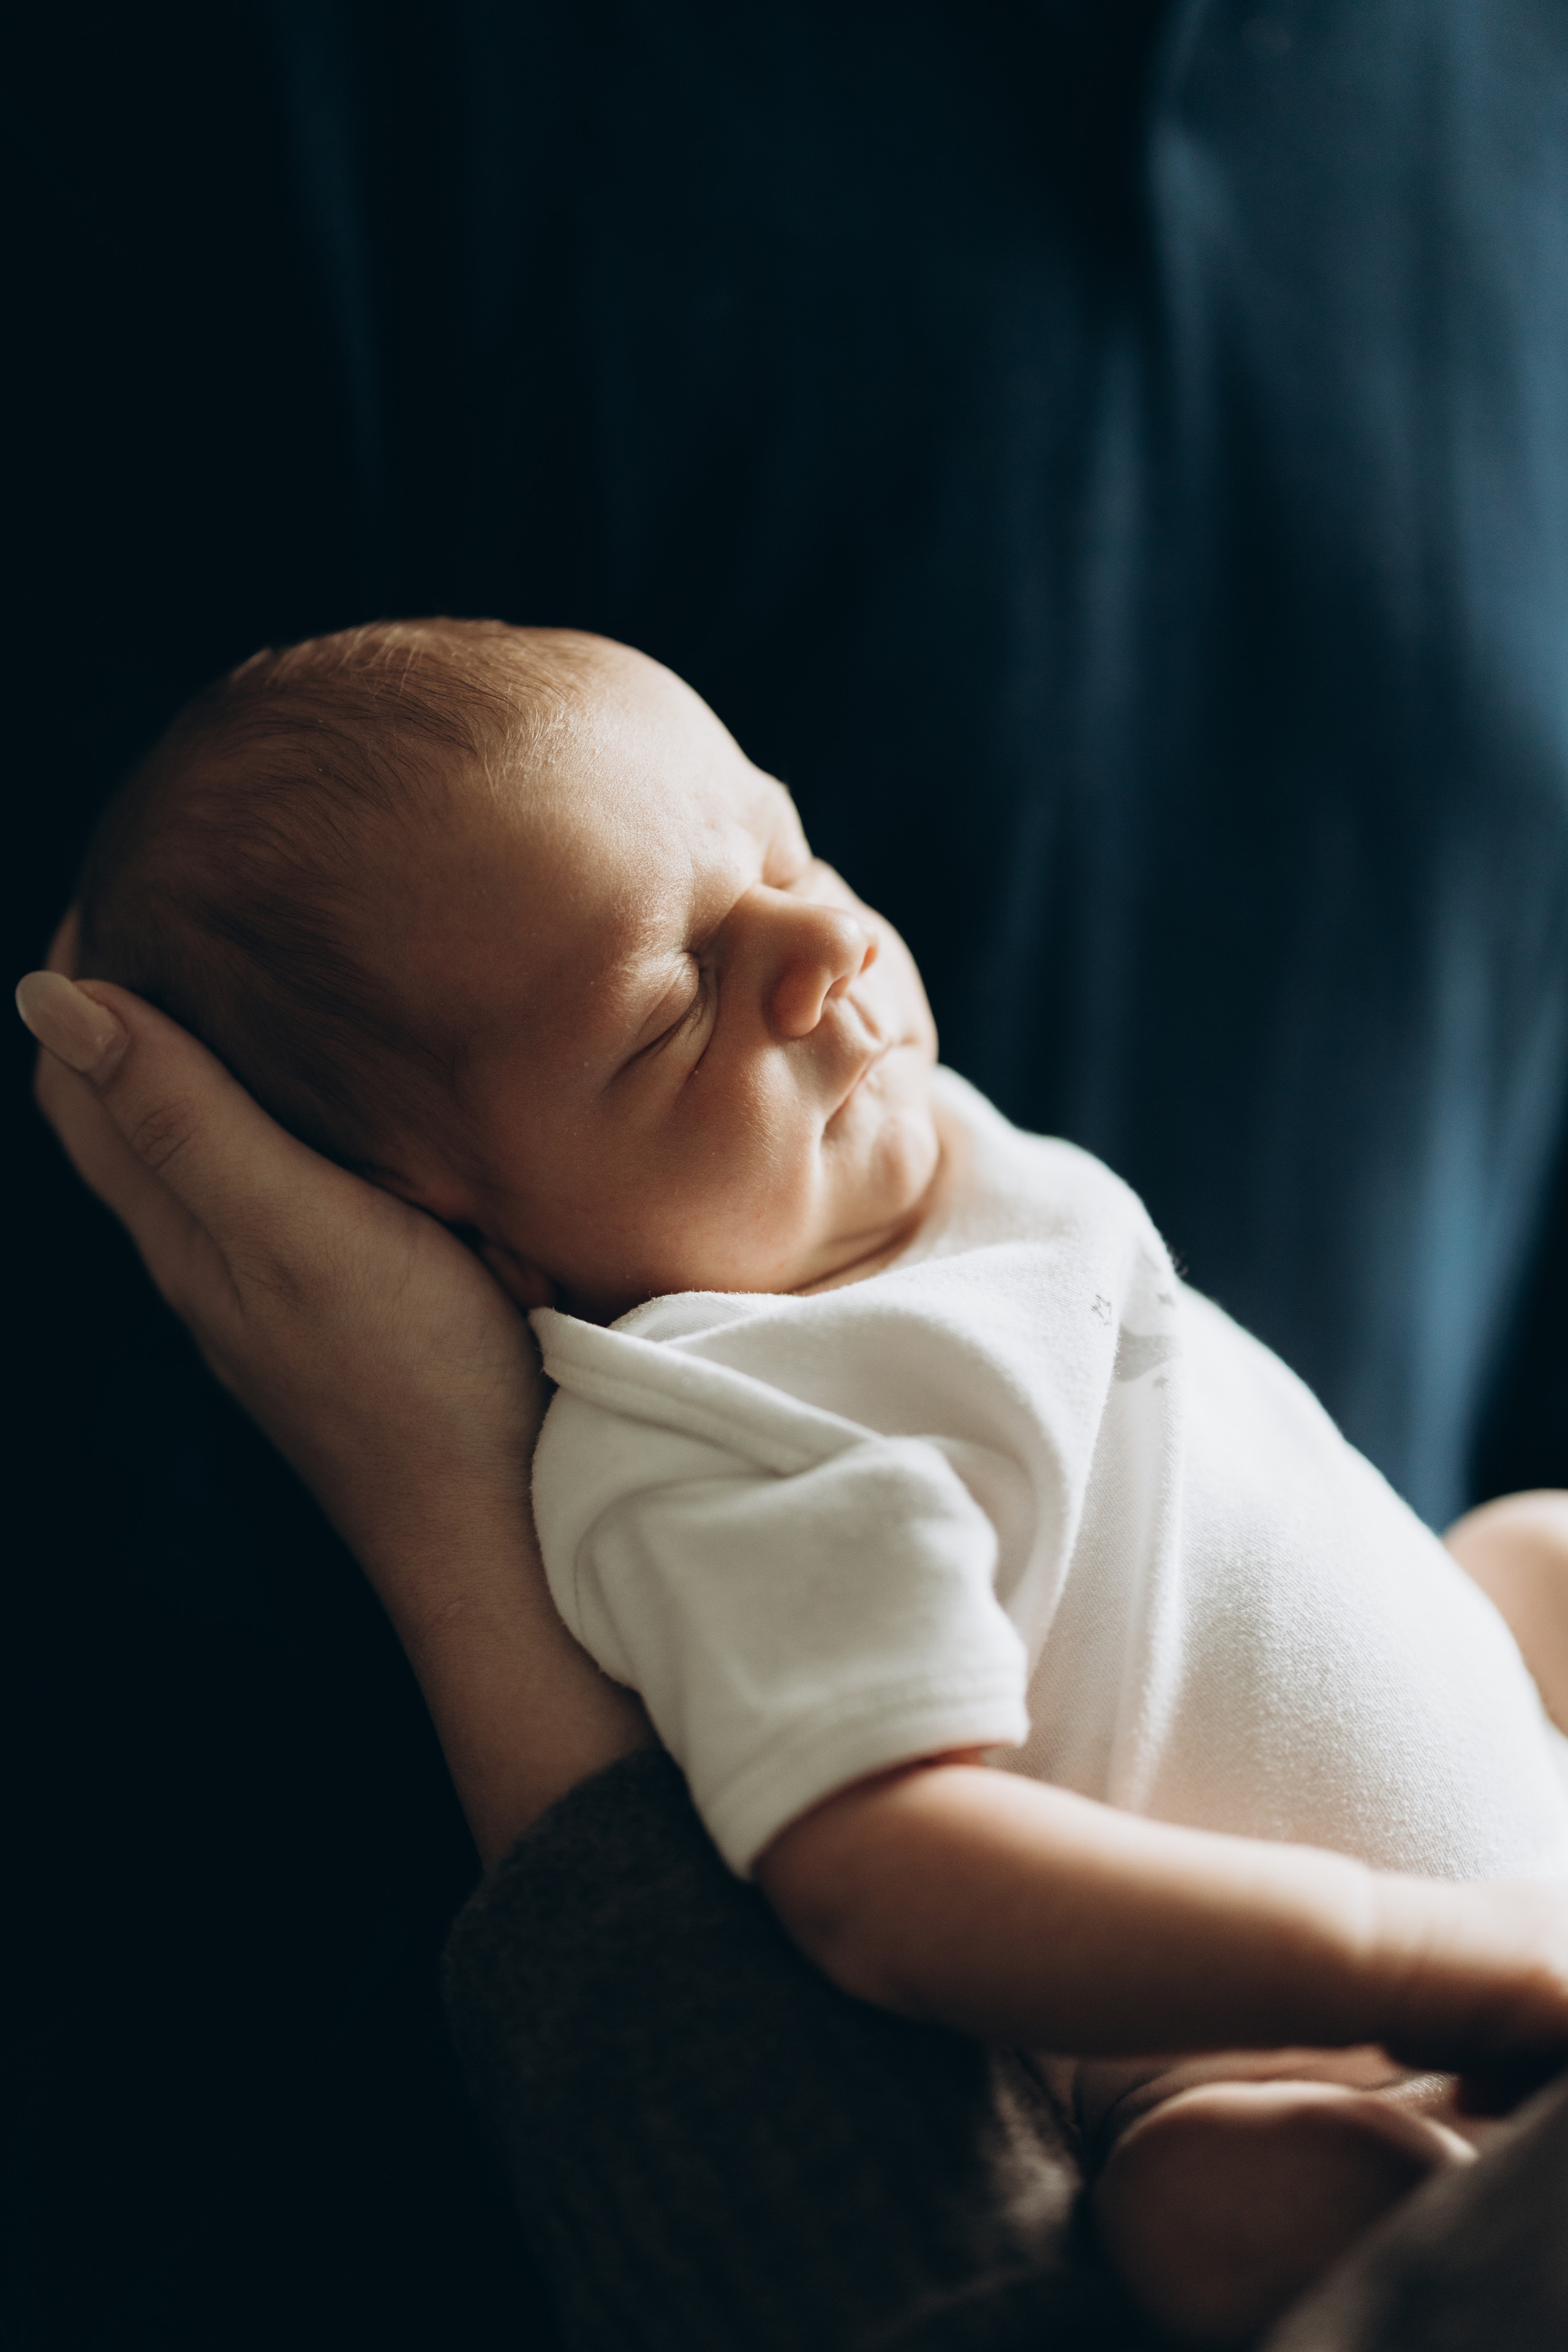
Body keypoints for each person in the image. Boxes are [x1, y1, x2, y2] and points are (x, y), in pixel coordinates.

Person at [56, 614, 1568, 2343]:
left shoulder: (919, 1163)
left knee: (1534, 1550)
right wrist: (1398, 1956)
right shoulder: (729, 1435)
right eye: (670, 1007)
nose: (825, 945)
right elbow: (883, 1878)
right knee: (1215, 2204)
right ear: (483, 1254)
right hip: (1363, 2062)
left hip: (1509, 1771)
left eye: (785, 849)